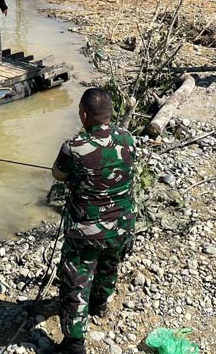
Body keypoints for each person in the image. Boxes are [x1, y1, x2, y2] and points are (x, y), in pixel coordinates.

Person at [50, 88, 137, 354]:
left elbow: (57, 174)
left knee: (76, 280)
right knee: (110, 263)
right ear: (109, 114)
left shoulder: (74, 146)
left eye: (80, 113)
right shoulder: (129, 139)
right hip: (122, 225)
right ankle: (99, 303)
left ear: (85, 115)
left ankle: (74, 343)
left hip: (86, 232)